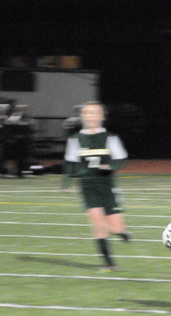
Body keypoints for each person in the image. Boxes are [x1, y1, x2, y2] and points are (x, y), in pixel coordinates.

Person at [61, 101, 131, 271]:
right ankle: (109, 264)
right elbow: (69, 162)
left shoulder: (110, 137)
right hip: (87, 186)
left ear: (102, 117)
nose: (91, 116)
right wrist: (65, 183)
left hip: (107, 186)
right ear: (81, 116)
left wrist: (110, 166)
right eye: (87, 113)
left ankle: (122, 232)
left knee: (115, 228)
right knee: (98, 225)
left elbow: (122, 160)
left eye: (95, 113)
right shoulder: (75, 139)